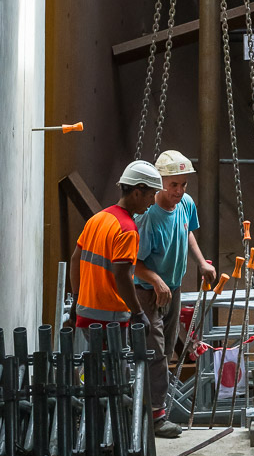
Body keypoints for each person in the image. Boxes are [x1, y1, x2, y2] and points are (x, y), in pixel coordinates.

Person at [134, 149, 216, 436]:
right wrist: (156, 281)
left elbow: (187, 232)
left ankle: (154, 407)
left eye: (183, 185)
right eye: (173, 185)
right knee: (154, 351)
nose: (179, 191)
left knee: (167, 350)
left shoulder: (185, 204)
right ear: (160, 183)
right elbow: (134, 264)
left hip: (174, 286)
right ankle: (154, 418)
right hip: (147, 292)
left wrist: (202, 262)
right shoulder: (148, 218)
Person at [69, 160, 162, 331]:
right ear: (136, 193)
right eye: (151, 194)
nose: (153, 202)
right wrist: (138, 313)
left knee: (92, 358)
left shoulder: (97, 219)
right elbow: (121, 275)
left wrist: (76, 298)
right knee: (115, 359)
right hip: (110, 318)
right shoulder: (127, 229)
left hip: (85, 312)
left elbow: (75, 259)